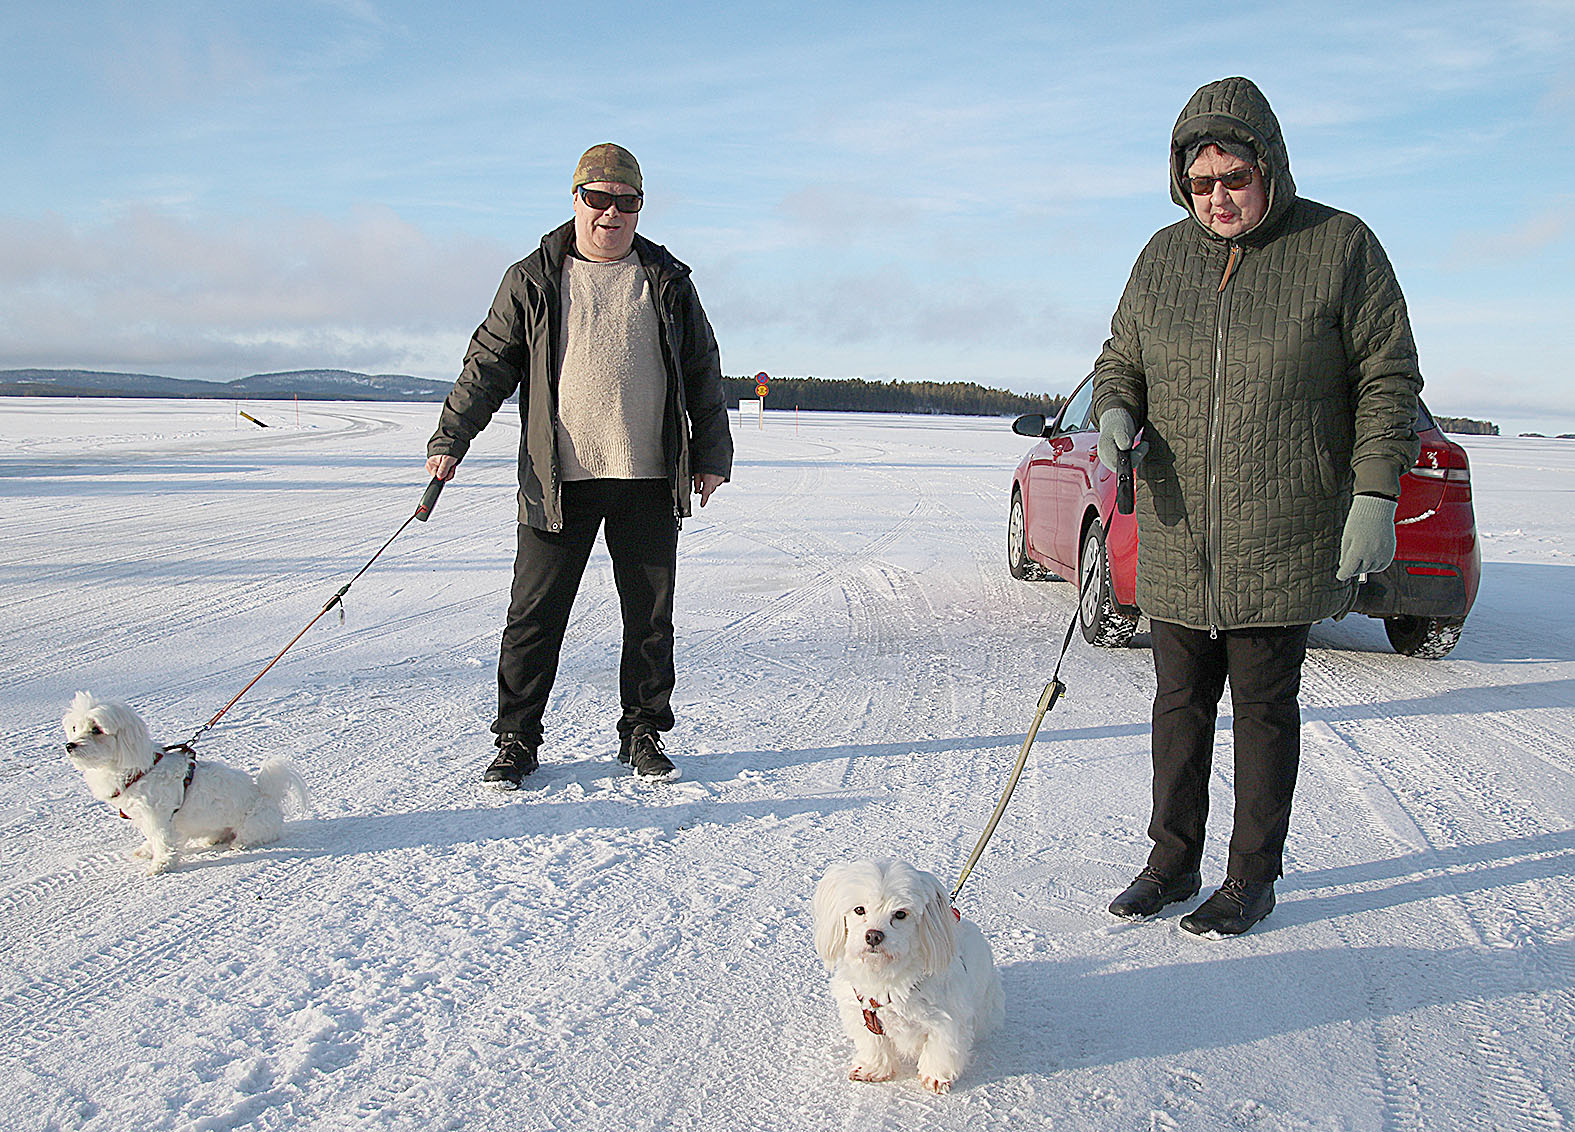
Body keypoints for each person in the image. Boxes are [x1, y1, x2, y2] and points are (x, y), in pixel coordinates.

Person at [1092, 77, 1421, 936]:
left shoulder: (1338, 245)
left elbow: (1386, 378)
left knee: (1263, 708)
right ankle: (1169, 861)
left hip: (1281, 526)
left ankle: (1250, 877)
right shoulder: (1161, 256)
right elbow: (1120, 355)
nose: (1218, 198)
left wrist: (1375, 491)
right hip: (1177, 528)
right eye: (1201, 184)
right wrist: (1115, 408)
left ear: (1267, 167)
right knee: (1176, 704)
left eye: (1232, 177)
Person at [425, 143, 732, 788]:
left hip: (647, 475)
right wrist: (451, 438)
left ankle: (643, 730)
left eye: (625, 203)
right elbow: (487, 365)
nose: (611, 214)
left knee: (650, 616)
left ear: (639, 209)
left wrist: (710, 454)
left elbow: (703, 371)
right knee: (534, 614)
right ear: (576, 201)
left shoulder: (669, 282)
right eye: (598, 200)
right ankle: (516, 737)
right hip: (557, 479)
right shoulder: (534, 277)